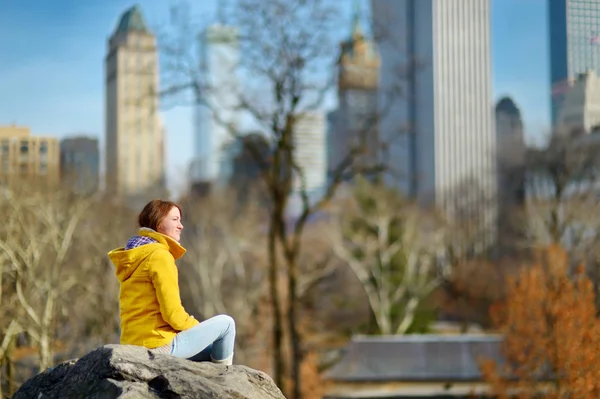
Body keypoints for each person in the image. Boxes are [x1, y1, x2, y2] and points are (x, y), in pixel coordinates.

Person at [107, 199, 235, 365]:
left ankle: (219, 378)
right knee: (226, 325)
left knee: (212, 354)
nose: (181, 225)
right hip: (158, 346)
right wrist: (198, 330)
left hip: (133, 345)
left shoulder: (135, 255)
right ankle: (225, 383)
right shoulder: (159, 256)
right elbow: (172, 314)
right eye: (175, 219)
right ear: (159, 223)